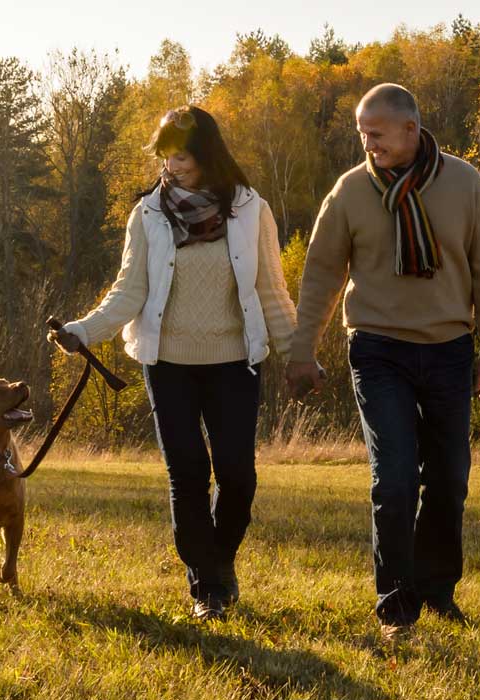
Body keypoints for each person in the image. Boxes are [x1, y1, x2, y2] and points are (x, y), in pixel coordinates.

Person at [50, 105, 296, 621]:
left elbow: (272, 291)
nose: (172, 164)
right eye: (165, 154)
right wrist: (81, 331)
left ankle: (219, 566)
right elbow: (129, 292)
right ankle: (207, 587)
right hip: (169, 363)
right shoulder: (149, 214)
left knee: (238, 476)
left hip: (235, 361)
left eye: (181, 154)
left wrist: (299, 356)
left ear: (207, 153)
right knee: (187, 471)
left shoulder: (252, 210)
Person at [286, 84, 480, 642]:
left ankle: (437, 591)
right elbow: (320, 277)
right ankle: (394, 602)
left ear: (411, 130)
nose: (368, 144)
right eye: (363, 134)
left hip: (449, 350)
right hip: (378, 348)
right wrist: (301, 350)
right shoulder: (349, 192)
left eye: (377, 134)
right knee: (393, 480)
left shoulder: (465, 184)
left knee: (449, 478)